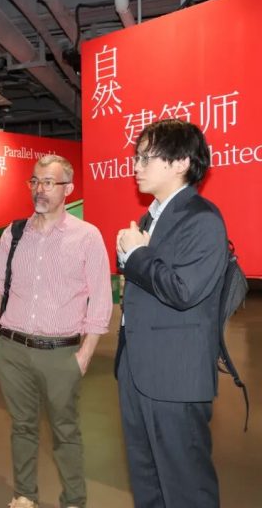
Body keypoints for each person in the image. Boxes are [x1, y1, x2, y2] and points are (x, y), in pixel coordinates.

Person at [0, 155, 112, 508]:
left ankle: (74, 500)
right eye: (35, 181)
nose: (40, 189)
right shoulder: (14, 233)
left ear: (68, 189)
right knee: (22, 426)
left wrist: (84, 355)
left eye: (49, 183)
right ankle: (25, 493)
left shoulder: (87, 237)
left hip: (61, 353)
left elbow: (101, 299)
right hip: (12, 348)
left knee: (65, 431)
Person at [115, 119, 227, 507]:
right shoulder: (151, 217)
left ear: (180, 162)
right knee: (147, 482)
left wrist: (135, 255)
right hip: (138, 370)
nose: (136, 166)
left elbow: (183, 291)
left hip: (174, 378)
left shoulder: (202, 219)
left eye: (147, 158)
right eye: (136, 157)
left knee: (185, 488)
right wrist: (131, 260)